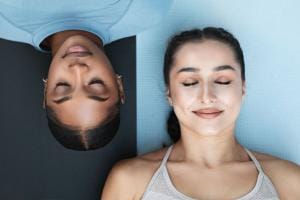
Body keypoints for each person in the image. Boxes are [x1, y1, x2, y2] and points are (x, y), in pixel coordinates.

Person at [102, 28, 300, 199]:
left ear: (243, 88)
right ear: (170, 93)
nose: (207, 96)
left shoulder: (288, 181)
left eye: (223, 81)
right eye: (189, 82)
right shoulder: (130, 181)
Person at [0, 0, 173, 150]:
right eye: (96, 83)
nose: (78, 68)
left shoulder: (4, 19)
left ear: (46, 89)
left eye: (63, 86)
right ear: (119, 85)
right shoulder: (144, 9)